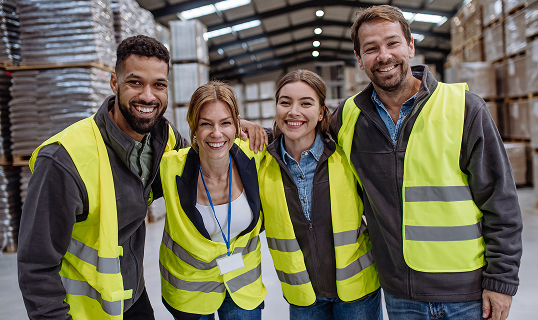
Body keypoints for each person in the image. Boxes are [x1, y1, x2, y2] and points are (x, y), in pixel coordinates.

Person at [17, 36, 266, 320]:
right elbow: (36, 264)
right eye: (135, 82)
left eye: (158, 85)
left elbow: (207, 150)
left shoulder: (164, 139)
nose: (148, 96)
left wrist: (235, 126)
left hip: (132, 297)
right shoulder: (65, 160)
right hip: (84, 311)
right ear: (114, 84)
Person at [330, 5, 523, 320]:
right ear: (359, 58)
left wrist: (501, 281)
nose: (384, 55)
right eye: (371, 48)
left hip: (467, 293)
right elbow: (300, 132)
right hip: (400, 295)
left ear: (410, 46)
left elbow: (500, 201)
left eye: (392, 43)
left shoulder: (465, 109)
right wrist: (249, 130)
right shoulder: (349, 117)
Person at [257, 69, 381, 320]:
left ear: (322, 112)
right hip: (303, 297)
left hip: (357, 293)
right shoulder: (261, 163)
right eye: (285, 102)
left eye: (306, 103)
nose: (294, 112)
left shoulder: (345, 154)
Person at [157, 81, 266, 320]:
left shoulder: (254, 155)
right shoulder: (170, 167)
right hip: (191, 291)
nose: (216, 133)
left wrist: (246, 127)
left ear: (237, 124)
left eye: (225, 123)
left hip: (242, 285)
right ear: (193, 127)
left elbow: (295, 133)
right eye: (206, 124)